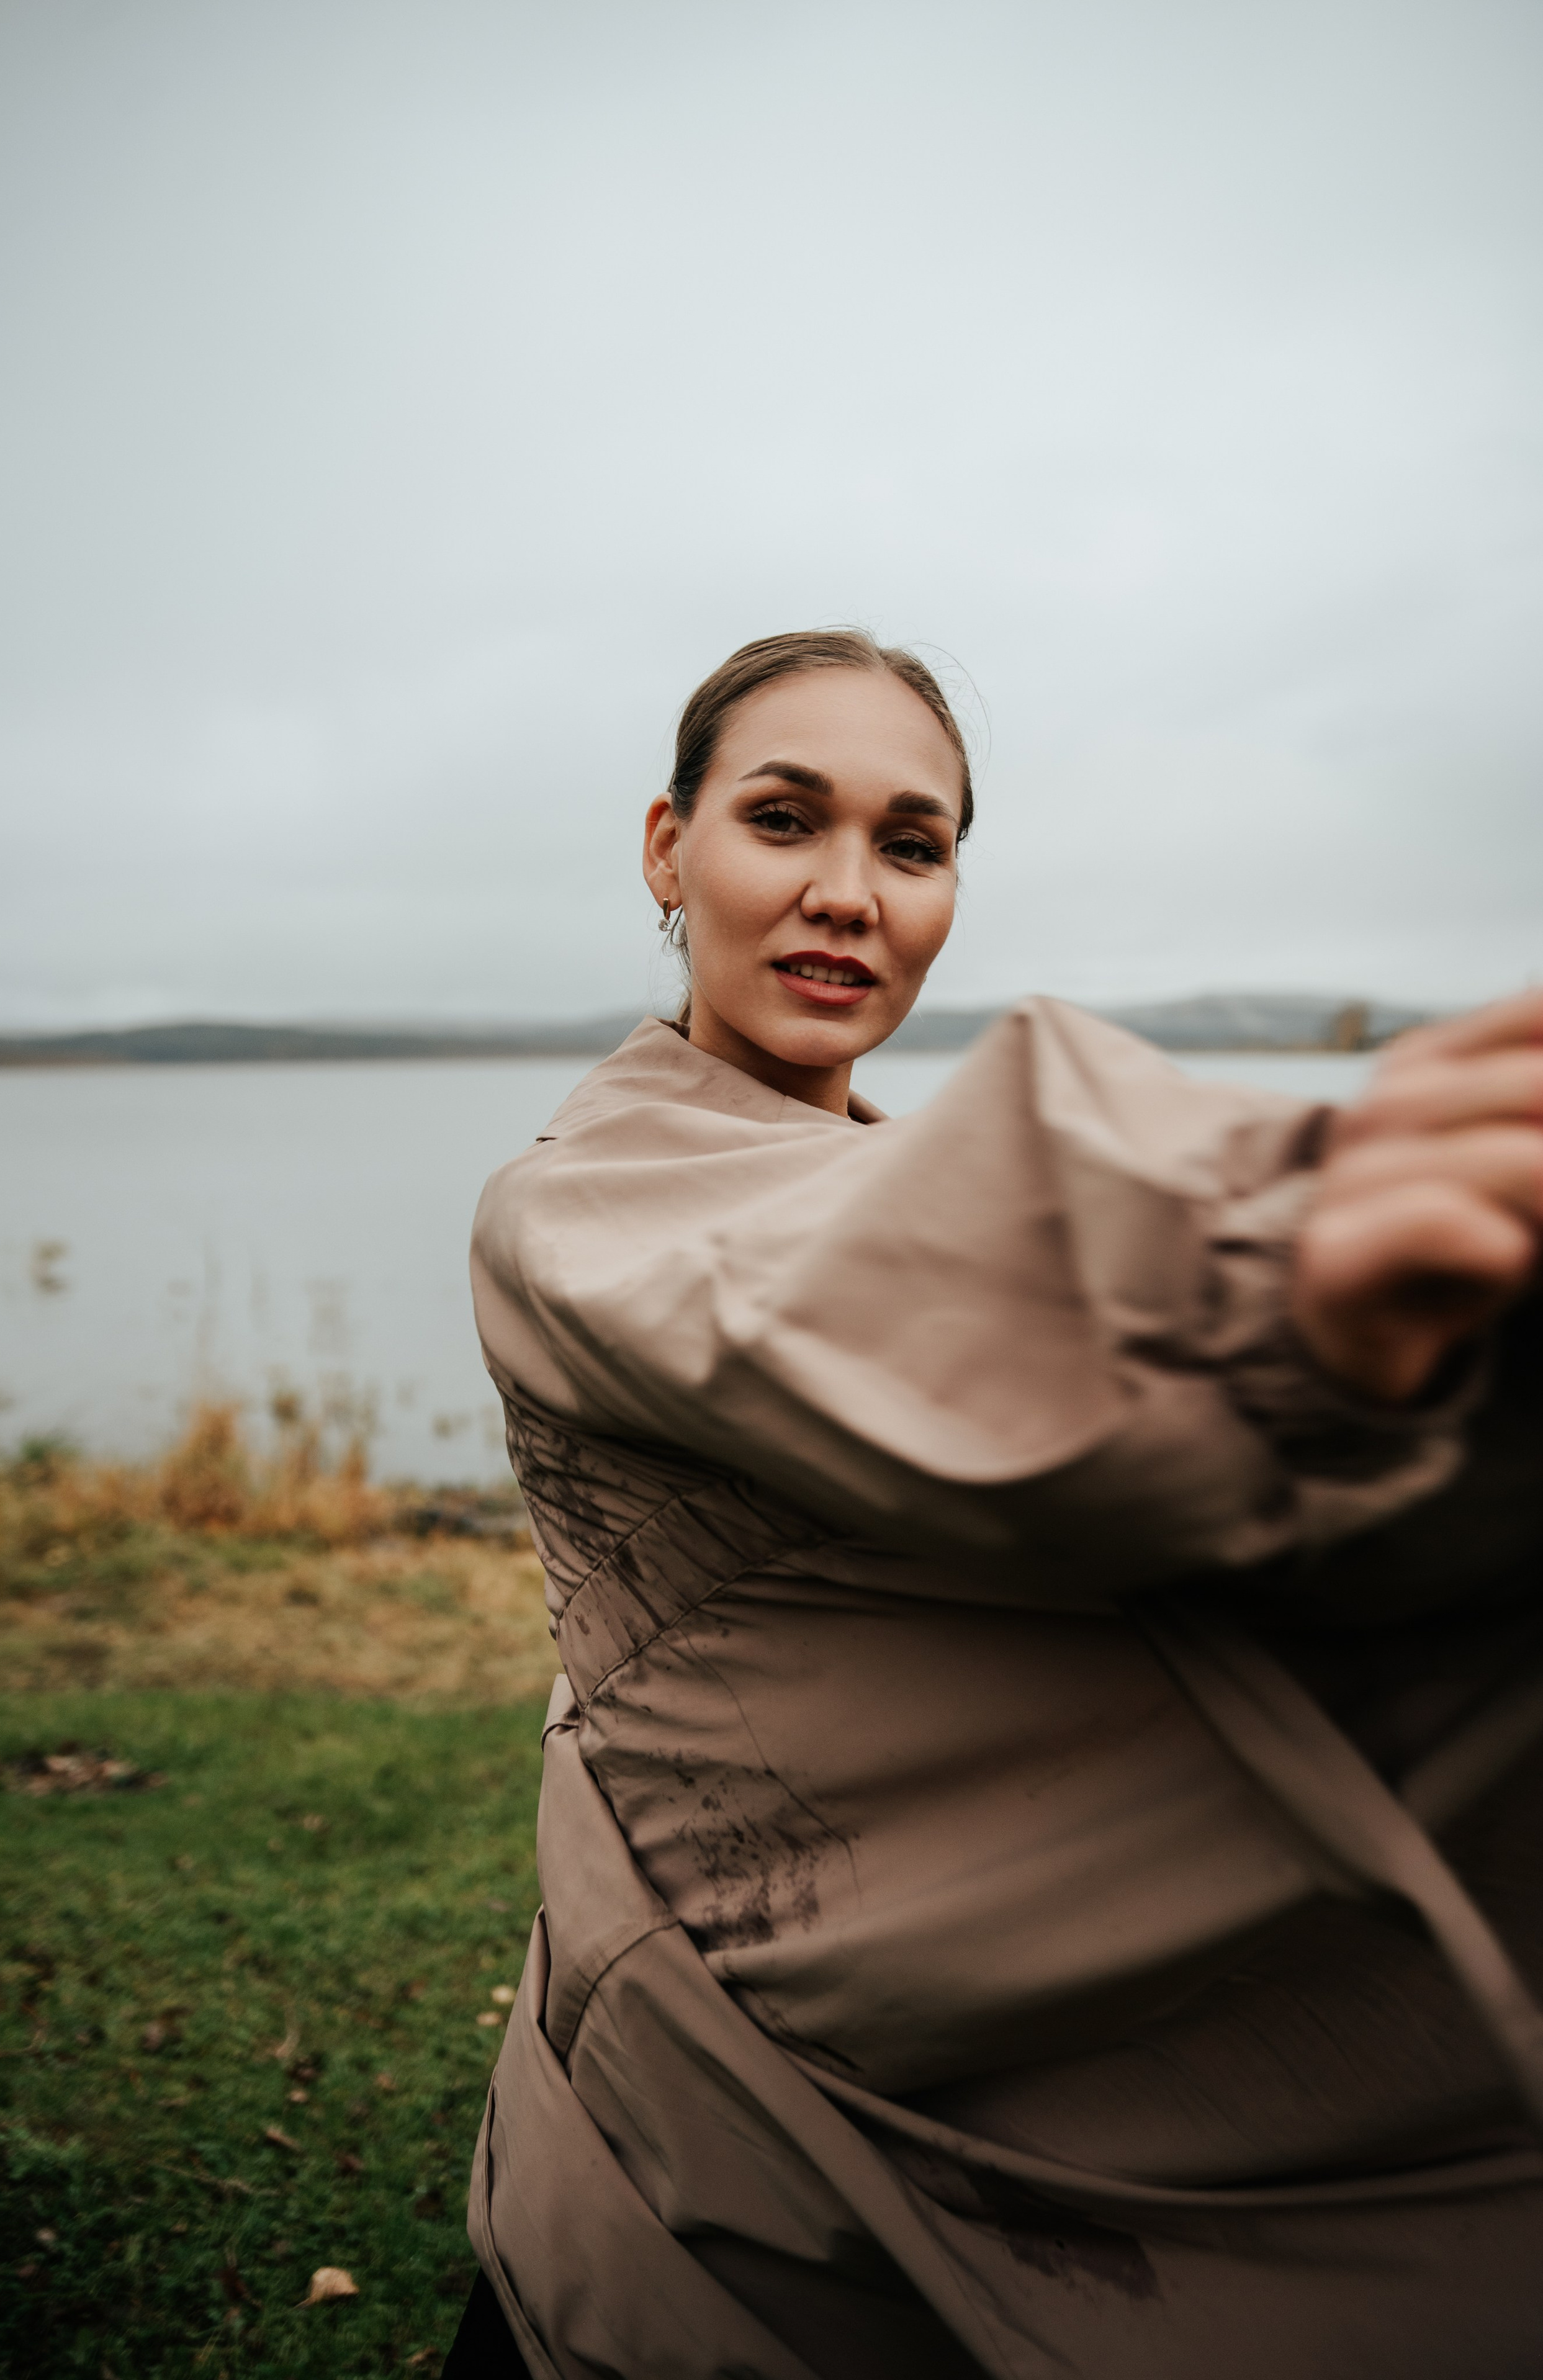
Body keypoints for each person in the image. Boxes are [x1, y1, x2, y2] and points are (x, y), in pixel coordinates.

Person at [444, 630, 1543, 2380]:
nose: (845, 894)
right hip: (688, 2208)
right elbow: (827, 1281)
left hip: (984, 2166)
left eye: (911, 842)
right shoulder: (578, 1208)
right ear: (670, 848)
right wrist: (1278, 1258)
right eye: (783, 819)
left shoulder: (889, 1176)